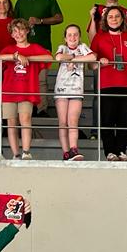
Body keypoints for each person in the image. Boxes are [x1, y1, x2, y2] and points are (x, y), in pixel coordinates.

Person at [91, 6, 127, 161]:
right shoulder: (99, 37)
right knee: (107, 119)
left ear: (122, 19)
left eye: (117, 16)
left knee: (123, 120)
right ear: (106, 20)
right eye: (111, 16)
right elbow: (91, 65)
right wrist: (99, 61)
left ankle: (121, 150)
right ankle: (109, 151)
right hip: (107, 83)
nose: (114, 19)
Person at [0, 19, 53, 160]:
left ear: (27, 30)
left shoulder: (34, 47)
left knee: (25, 118)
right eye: (15, 31)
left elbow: (49, 58)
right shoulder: (9, 49)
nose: (19, 33)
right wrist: (16, 56)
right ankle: (16, 154)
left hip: (27, 90)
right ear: (11, 34)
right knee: (11, 122)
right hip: (9, 90)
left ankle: (26, 152)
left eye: (21, 29)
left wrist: (28, 58)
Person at [14, 0, 63, 115]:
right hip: (23, 48)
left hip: (43, 46)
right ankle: (26, 109)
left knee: (41, 80)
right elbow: (14, 23)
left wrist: (41, 21)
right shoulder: (20, 2)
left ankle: (42, 109)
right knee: (23, 79)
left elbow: (59, 18)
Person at [53, 24, 95, 161]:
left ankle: (73, 149)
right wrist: (72, 55)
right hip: (61, 89)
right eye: (69, 35)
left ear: (80, 36)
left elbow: (92, 58)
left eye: (76, 34)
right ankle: (66, 152)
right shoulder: (62, 47)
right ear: (65, 38)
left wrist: (74, 59)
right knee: (63, 122)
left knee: (73, 121)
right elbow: (58, 57)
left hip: (76, 89)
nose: (73, 37)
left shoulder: (83, 47)